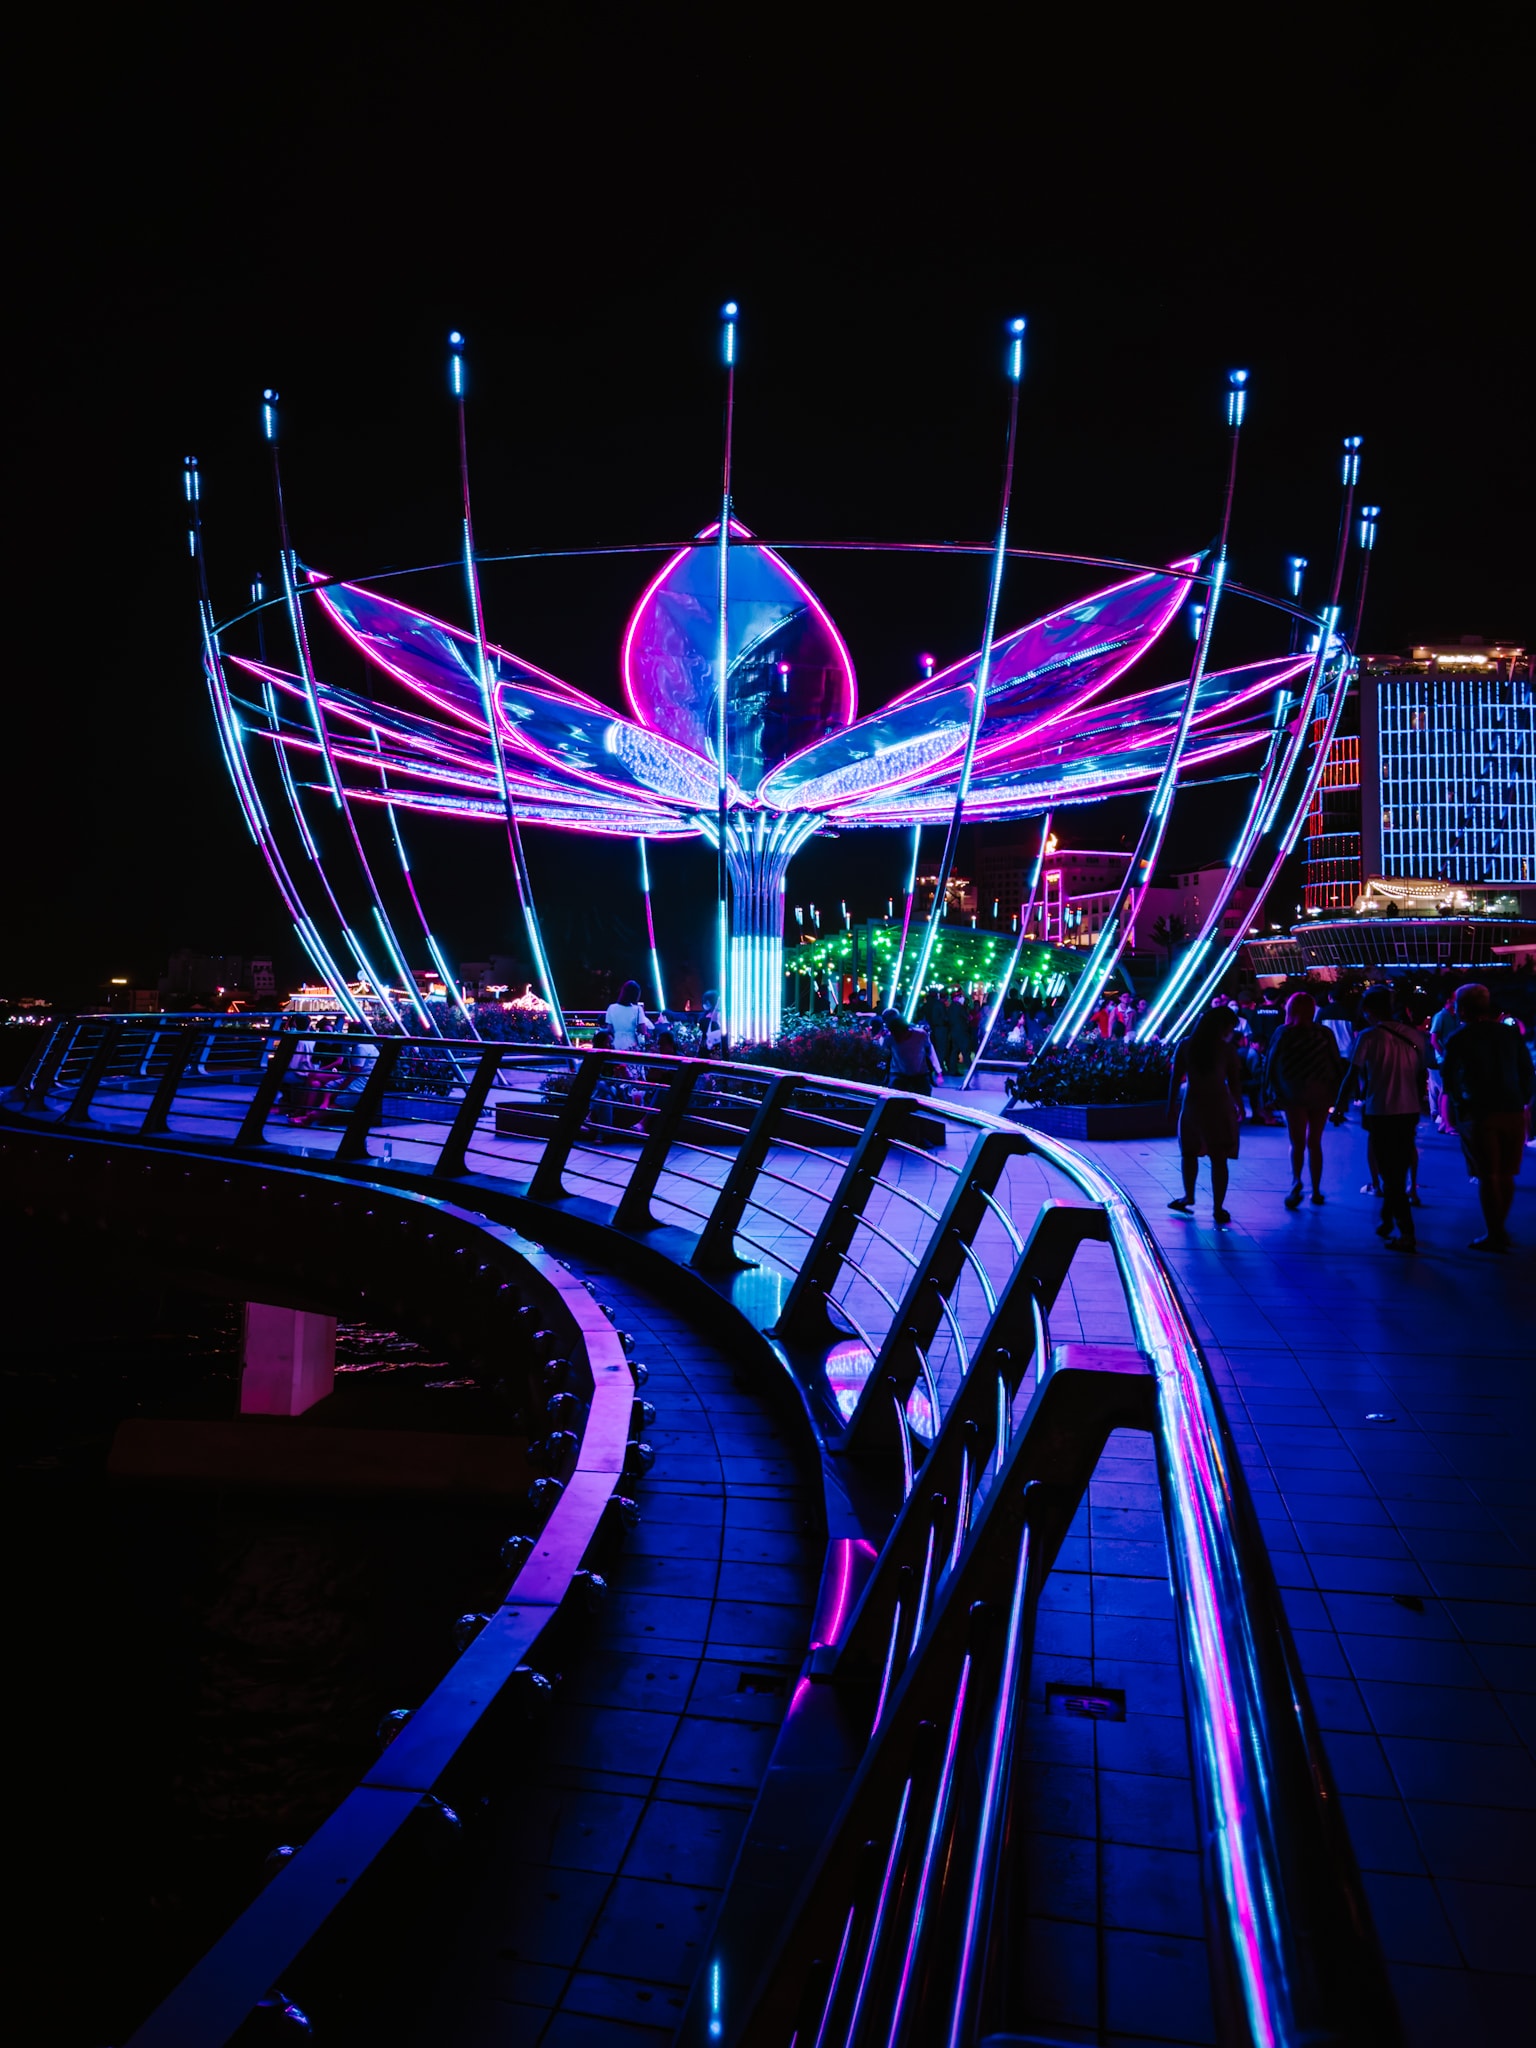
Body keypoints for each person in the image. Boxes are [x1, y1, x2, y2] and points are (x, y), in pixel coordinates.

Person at [1438, 982, 1535, 1251]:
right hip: (1512, 1109)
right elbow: (1527, 1070)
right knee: (1506, 1174)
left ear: (1462, 1008)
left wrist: (1458, 1107)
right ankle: (1500, 1229)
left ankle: (1494, 1232)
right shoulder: (1509, 1035)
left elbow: (1449, 1079)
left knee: (1488, 1174)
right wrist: (1523, 1100)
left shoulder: (1459, 1037)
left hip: (1480, 1112)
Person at [1331, 985, 1426, 1251]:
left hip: (1381, 1109)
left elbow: (1353, 1074)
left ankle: (1407, 1232)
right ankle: (1386, 1221)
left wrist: (1339, 1105)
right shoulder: (1416, 1036)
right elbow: (1421, 1073)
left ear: (1369, 1010)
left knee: (1389, 1174)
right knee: (1399, 1166)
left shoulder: (1369, 1037)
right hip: (1409, 1109)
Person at [1264, 990, 1344, 1207]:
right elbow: (1336, 1063)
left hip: (1292, 1093)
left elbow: (1271, 1064)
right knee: (1315, 1142)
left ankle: (1296, 1181)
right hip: (1321, 1093)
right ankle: (1316, 1190)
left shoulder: (1284, 1032)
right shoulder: (1324, 1033)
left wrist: (1269, 1092)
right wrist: (1339, 1094)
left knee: (1296, 1142)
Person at [1167, 1005, 1245, 1223]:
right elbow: (1235, 1082)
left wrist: (1171, 1103)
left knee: (1189, 1153)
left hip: (1192, 1103)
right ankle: (1218, 1207)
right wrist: (1239, 1105)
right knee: (1219, 1158)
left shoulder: (1186, 1045)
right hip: (1219, 1104)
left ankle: (1188, 1196)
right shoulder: (1226, 1049)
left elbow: (1176, 1078)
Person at [877, 1009, 942, 1095]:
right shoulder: (890, 1038)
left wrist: (938, 1071)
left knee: (922, 1102)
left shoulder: (920, 1035)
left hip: (919, 1076)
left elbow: (930, 1052)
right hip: (899, 1077)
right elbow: (883, 1054)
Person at [604, 980, 654, 1052]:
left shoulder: (611, 1008)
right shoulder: (637, 1009)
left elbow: (609, 1029)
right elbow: (643, 1031)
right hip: (631, 1045)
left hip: (616, 1044)